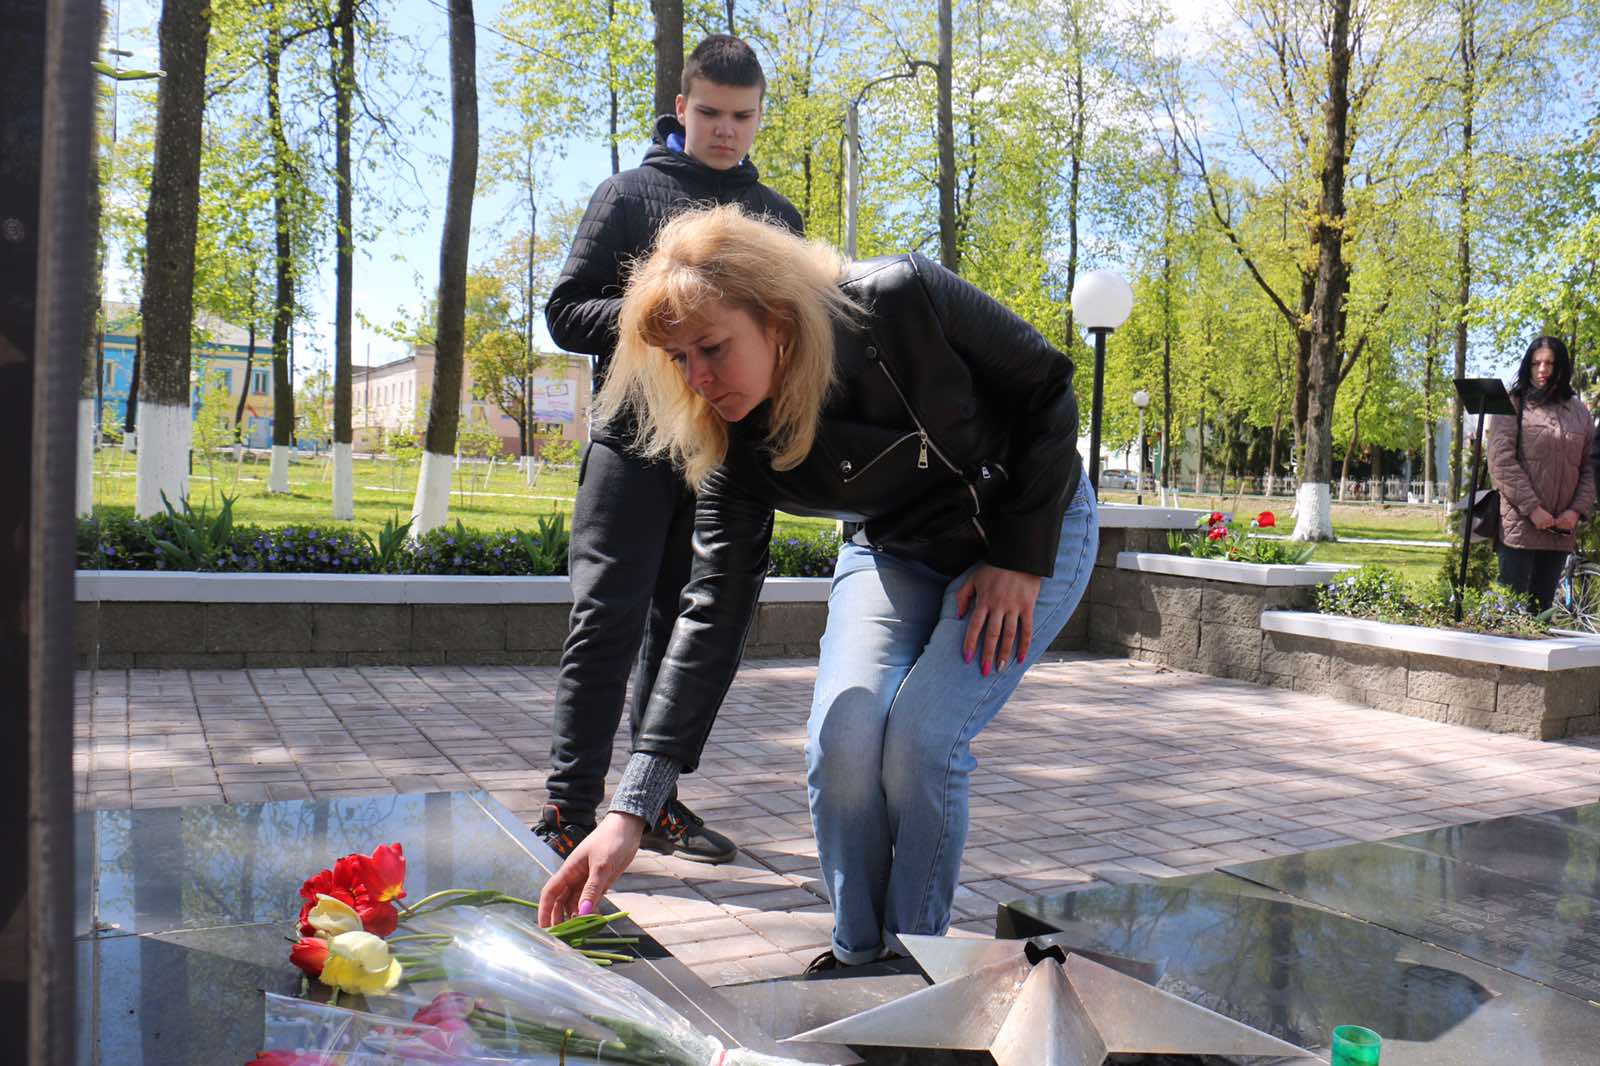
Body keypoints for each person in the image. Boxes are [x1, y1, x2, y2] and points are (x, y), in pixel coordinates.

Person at [538, 205, 1099, 973]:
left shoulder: (901, 298)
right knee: (844, 741)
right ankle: (858, 960)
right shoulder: (731, 441)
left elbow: (1049, 389)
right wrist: (632, 808)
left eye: (712, 348)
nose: (697, 379)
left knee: (922, 742)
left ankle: (914, 962)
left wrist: (1020, 555)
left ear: (776, 320)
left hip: (1030, 529)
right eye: (678, 358)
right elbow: (712, 608)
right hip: (896, 549)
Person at [537, 35, 803, 864]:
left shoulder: (777, 221)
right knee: (604, 623)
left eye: (743, 117)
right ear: (682, 108)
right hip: (630, 443)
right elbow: (565, 312)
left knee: (684, 630)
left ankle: (651, 804)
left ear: (759, 117)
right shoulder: (627, 194)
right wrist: (666, 318)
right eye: (712, 113)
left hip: (724, 457)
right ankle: (568, 808)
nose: (726, 130)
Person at [1487, 335, 1594, 611]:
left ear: (1562, 367)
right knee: (1511, 611)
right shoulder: (1513, 403)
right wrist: (1533, 509)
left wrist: (1575, 512)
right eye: (1536, 363)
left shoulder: (1580, 412)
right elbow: (1501, 461)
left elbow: (1591, 467)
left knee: (1541, 611)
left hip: (1560, 529)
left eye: (1550, 363)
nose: (1542, 370)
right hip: (1521, 525)